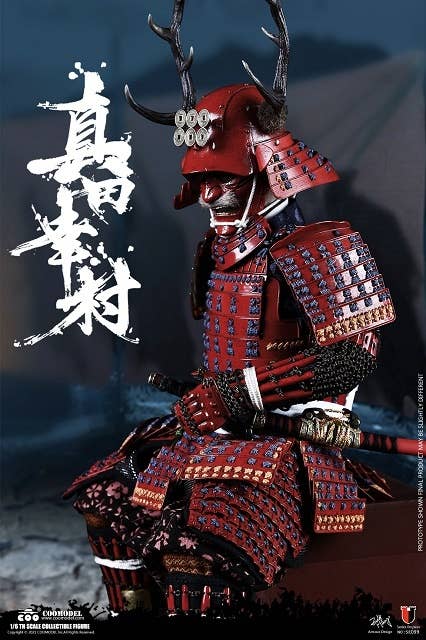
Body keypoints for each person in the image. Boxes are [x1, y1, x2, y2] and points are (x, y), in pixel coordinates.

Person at [64, 0, 395, 616]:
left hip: (290, 441)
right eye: (203, 182)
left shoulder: (324, 247)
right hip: (216, 428)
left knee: (198, 548)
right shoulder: (219, 249)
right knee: (105, 498)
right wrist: (212, 396)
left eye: (225, 180)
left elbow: (353, 357)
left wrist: (240, 393)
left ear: (269, 172)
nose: (209, 196)